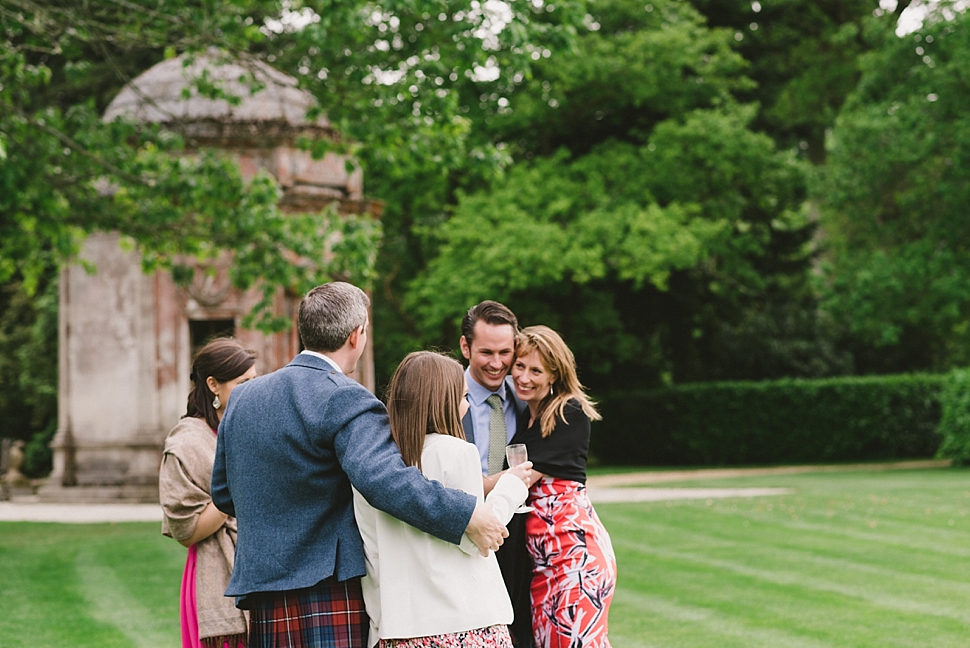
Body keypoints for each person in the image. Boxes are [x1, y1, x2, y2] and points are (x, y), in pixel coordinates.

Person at [211, 282, 509, 648]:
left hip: (264, 590)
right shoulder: (347, 398)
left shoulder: (243, 397)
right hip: (328, 586)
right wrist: (467, 515)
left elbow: (223, 494)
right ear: (356, 335)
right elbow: (385, 480)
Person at [353, 351, 533, 647]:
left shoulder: (371, 467)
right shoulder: (457, 452)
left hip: (396, 629)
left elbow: (371, 551)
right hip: (464, 624)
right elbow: (479, 539)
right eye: (463, 397)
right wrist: (511, 488)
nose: (467, 405)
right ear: (444, 402)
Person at [509, 326, 616, 648]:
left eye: (536, 371)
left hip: (574, 556)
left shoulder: (569, 412)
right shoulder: (524, 417)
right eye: (520, 366)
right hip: (543, 562)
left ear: (554, 374)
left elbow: (520, 479)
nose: (524, 377)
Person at [159, 337, 257, 648]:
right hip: (216, 579)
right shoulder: (187, 444)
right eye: (243, 383)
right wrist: (236, 482)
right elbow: (187, 532)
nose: (252, 390)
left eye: (255, 381)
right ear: (213, 385)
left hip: (259, 572)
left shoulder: (251, 428)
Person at [458, 301, 533, 647]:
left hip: (518, 535)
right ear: (465, 347)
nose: (497, 363)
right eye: (486, 352)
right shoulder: (444, 397)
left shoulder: (525, 394)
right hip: (465, 531)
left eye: (505, 352)